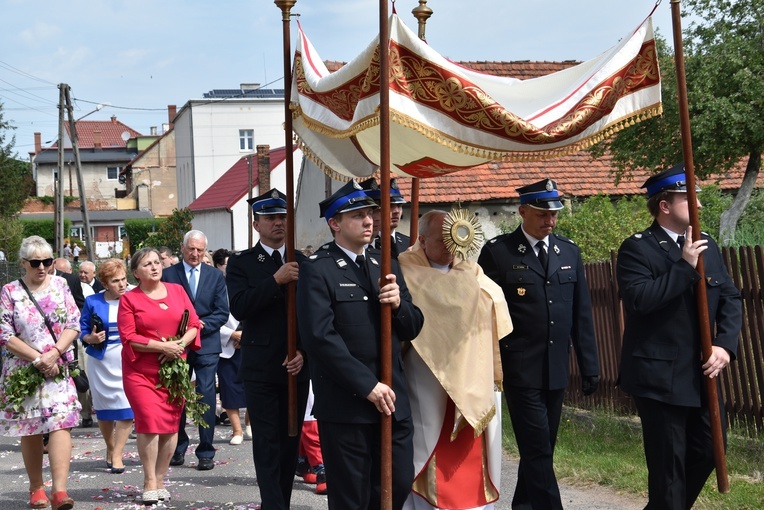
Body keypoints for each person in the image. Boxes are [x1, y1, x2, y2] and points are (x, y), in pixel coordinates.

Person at [616, 164, 742, 510]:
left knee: (710, 450)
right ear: (665, 206)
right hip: (658, 378)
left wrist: (725, 346)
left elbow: (730, 297)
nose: (699, 206)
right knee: (668, 468)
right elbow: (640, 301)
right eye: (689, 198)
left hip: (700, 374)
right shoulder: (637, 249)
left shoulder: (707, 245)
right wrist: (683, 266)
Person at [296, 180, 425, 510]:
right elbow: (319, 338)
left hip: (392, 401)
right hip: (347, 405)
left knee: (397, 484)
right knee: (352, 497)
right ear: (335, 224)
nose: (368, 221)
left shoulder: (385, 263)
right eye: (357, 215)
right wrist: (368, 385)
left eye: (370, 213)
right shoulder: (318, 269)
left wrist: (400, 305)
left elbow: (413, 326)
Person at [478, 178, 600, 510]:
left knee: (542, 447)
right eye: (542, 214)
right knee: (538, 450)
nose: (550, 221)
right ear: (522, 212)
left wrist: (590, 366)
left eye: (554, 215)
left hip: (556, 367)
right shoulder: (498, 253)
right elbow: (482, 313)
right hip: (519, 368)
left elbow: (581, 314)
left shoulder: (568, 251)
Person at [400, 210, 512, 510]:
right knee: (428, 441)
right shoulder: (405, 270)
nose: (451, 245)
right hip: (428, 374)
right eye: (442, 239)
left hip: (472, 372)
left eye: (455, 237)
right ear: (422, 240)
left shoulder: (472, 271)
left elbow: (494, 301)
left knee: (471, 450)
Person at [226, 189, 310, 509]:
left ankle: (281, 502)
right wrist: (275, 280)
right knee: (266, 442)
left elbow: (313, 315)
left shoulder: (302, 261)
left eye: (283, 216)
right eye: (271, 217)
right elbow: (241, 306)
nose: (278, 222)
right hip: (261, 366)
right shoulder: (242, 263)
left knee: (291, 442)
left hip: (297, 365)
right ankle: (273, 505)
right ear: (256, 224)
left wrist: (304, 352)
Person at [0, 235, 81, 510]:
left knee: (60, 423)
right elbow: (5, 334)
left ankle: (60, 490)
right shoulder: (10, 291)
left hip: (57, 366)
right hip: (24, 368)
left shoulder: (60, 286)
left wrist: (54, 353)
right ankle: (37, 488)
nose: (42, 267)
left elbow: (73, 322)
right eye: (35, 262)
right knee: (31, 426)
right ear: (23, 263)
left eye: (47, 261)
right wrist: (38, 358)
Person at [117, 247, 201, 505]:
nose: (154, 267)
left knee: (170, 424)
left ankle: (161, 478)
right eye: (147, 264)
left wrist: (179, 345)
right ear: (135, 273)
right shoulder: (129, 299)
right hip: (141, 371)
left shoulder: (176, 290)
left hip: (174, 370)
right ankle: (149, 480)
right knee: (150, 421)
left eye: (156, 262)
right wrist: (161, 346)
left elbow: (194, 324)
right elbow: (129, 337)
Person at [163, 230, 230, 471]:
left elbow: (222, 311)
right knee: (177, 395)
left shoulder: (215, 276)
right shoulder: (168, 274)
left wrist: (201, 325)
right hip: (176, 344)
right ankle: (178, 448)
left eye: (200, 250)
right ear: (182, 248)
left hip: (207, 344)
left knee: (205, 395)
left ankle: (205, 451)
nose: (195, 254)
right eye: (191, 249)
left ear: (205, 251)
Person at [79, 258, 135, 474]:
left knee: (127, 410)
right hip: (100, 362)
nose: (122, 284)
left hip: (127, 360)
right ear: (104, 283)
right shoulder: (93, 301)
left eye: (123, 279)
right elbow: (82, 330)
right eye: (115, 281)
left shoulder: (133, 298)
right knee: (104, 411)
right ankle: (110, 448)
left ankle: (118, 453)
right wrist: (90, 338)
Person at [211, 248, 249, 446]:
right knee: (229, 388)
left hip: (250, 343)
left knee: (252, 388)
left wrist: (246, 333)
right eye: (227, 265)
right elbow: (209, 317)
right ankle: (237, 430)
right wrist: (231, 334)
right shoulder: (216, 287)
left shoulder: (250, 282)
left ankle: (250, 424)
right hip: (226, 345)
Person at [361, 177, 411, 257]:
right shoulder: (370, 243)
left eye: (399, 206)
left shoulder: (408, 242)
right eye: (390, 206)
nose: (396, 211)